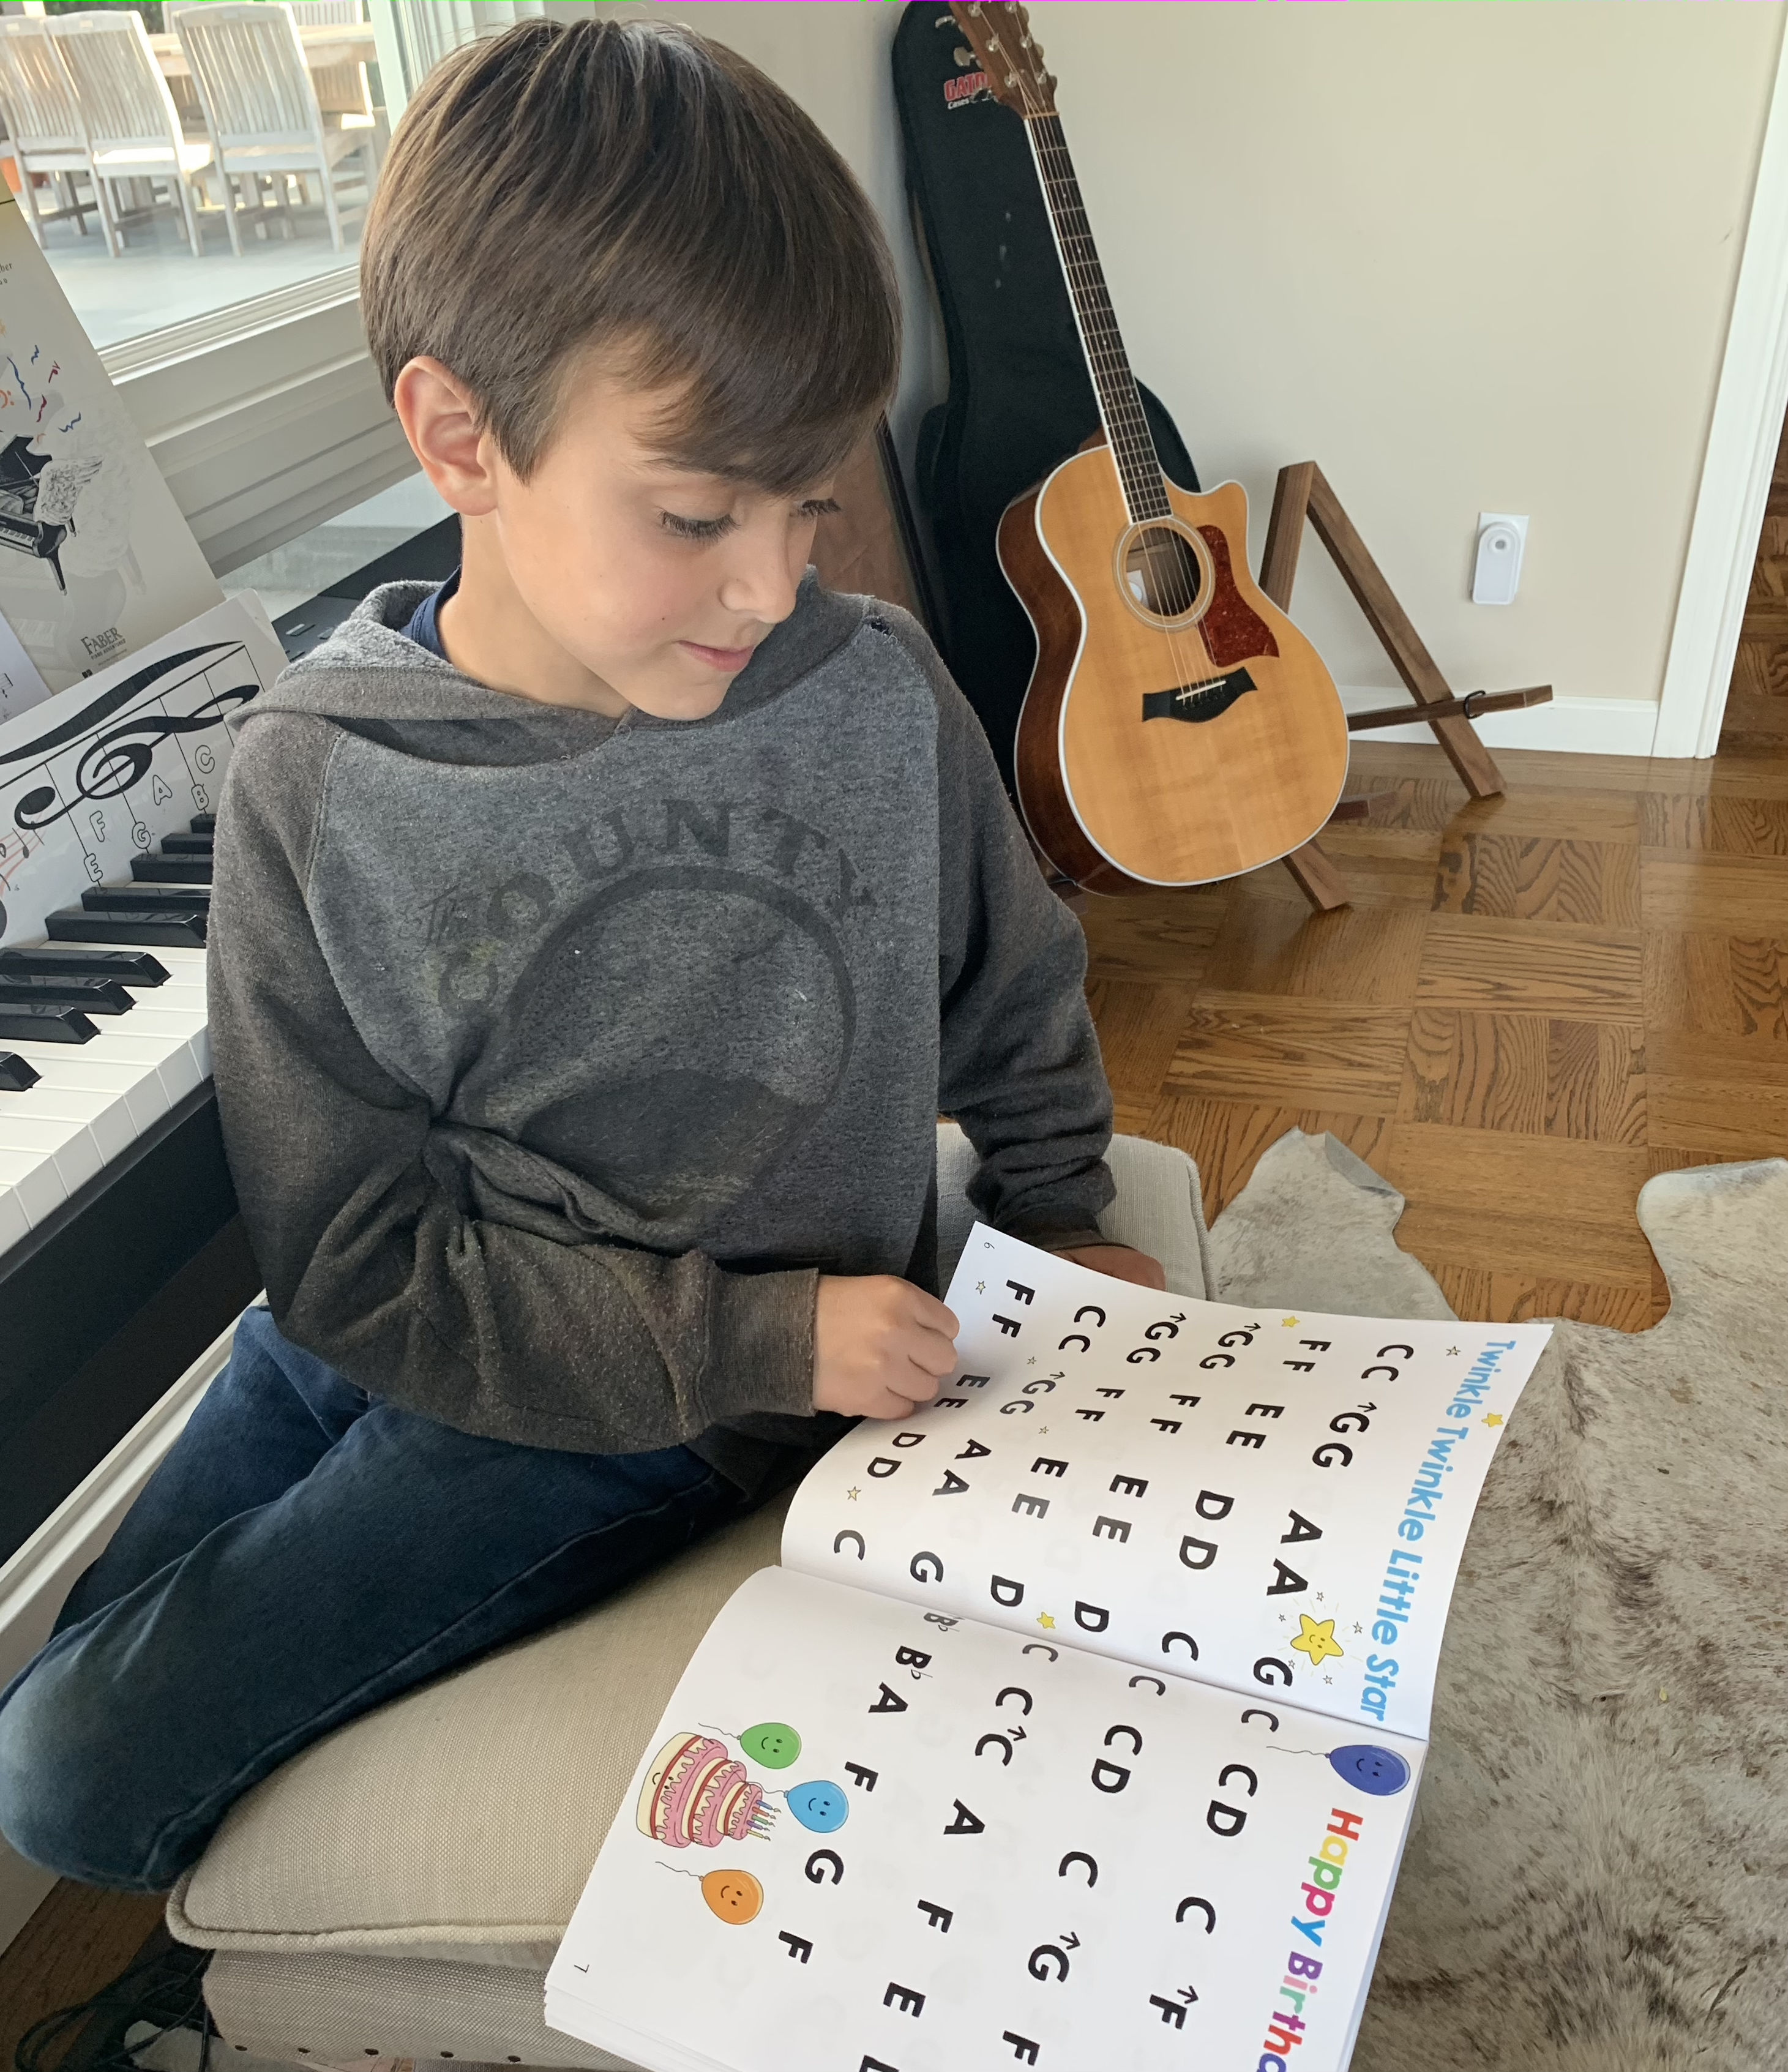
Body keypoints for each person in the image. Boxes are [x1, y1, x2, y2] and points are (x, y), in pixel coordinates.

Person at [0, 16, 1162, 1893]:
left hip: (667, 1406)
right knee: (72, 1696)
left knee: (59, 1785)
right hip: (385, 1319)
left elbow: (1015, 995)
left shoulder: (874, 690)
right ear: (462, 437)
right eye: (699, 516)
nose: (778, 583)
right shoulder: (316, 773)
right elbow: (352, 1258)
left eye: (811, 504)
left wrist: (1050, 1218)